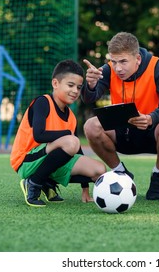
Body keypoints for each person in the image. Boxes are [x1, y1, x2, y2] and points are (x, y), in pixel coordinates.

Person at [81, 32, 159, 200]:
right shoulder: (108, 70)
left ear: (138, 59)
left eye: (123, 61)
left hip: (152, 133)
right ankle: (121, 173)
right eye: (114, 61)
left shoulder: (157, 66)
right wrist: (90, 85)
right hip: (121, 134)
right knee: (90, 126)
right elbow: (90, 98)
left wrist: (151, 118)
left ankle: (158, 176)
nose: (118, 68)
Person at [10, 59, 106, 207]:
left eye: (79, 87)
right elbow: (39, 135)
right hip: (26, 161)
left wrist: (85, 189)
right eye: (70, 85)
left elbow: (77, 152)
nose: (75, 91)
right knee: (71, 141)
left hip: (50, 159)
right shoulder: (43, 102)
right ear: (55, 83)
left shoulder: (71, 117)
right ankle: (34, 183)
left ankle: (47, 182)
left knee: (99, 170)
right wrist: (67, 134)